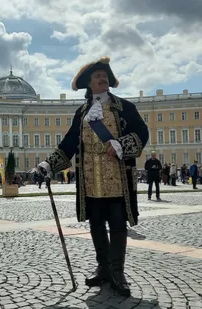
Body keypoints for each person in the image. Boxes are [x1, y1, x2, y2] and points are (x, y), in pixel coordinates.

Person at [38, 56, 149, 296]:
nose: (103, 79)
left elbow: (142, 131)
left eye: (105, 76)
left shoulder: (124, 107)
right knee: (96, 223)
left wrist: (121, 144)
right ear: (89, 83)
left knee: (118, 224)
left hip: (117, 178)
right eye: (98, 76)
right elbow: (69, 142)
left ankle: (118, 272)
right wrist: (48, 164)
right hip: (90, 179)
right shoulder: (82, 113)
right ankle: (103, 269)